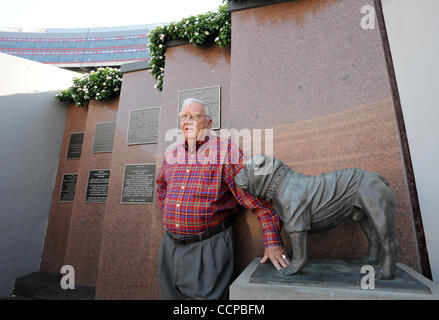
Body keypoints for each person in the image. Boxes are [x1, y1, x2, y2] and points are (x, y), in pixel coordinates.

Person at [156, 98, 289, 299]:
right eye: (184, 116)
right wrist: (169, 213)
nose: (188, 121)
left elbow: (260, 203)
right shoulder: (172, 154)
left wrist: (272, 243)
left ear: (209, 123)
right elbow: (161, 186)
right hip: (169, 247)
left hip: (207, 248)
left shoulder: (226, 152)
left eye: (195, 116)